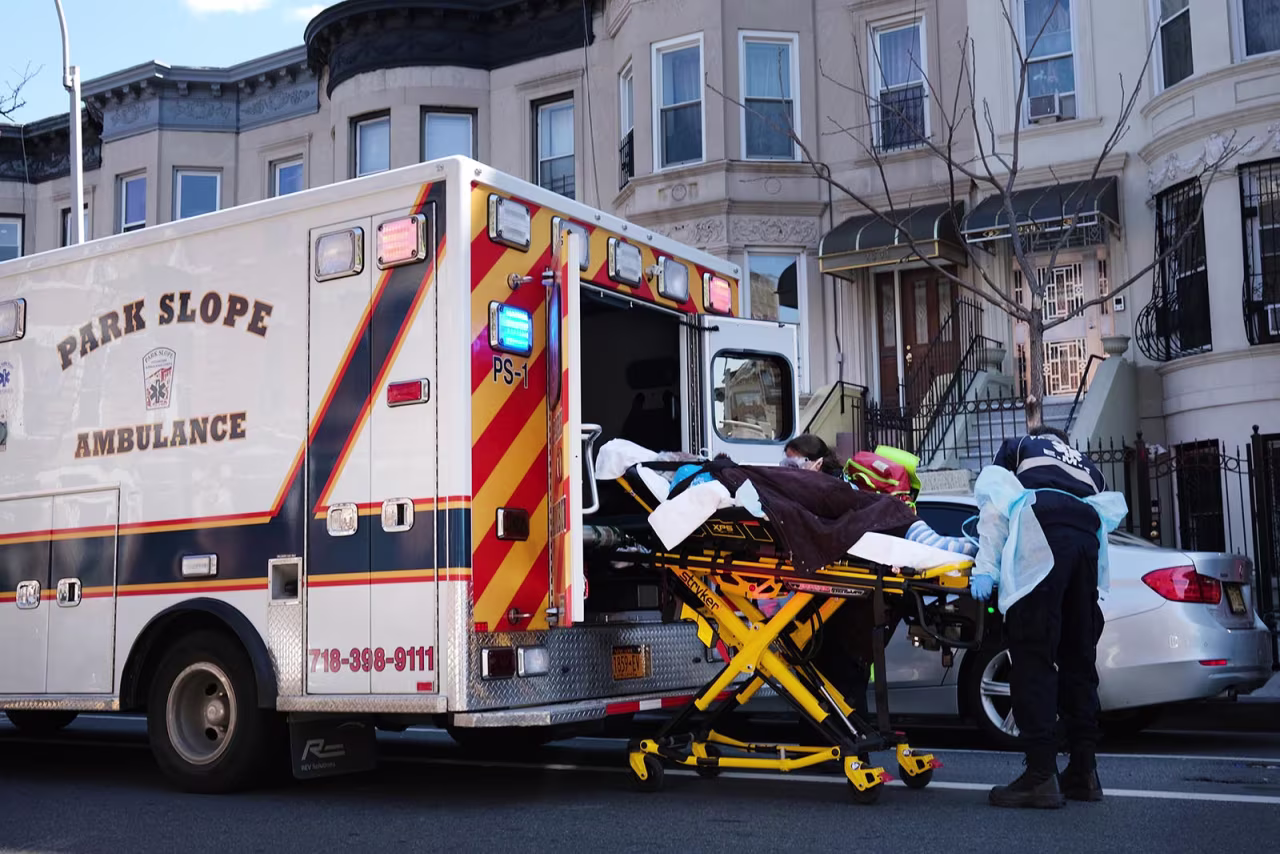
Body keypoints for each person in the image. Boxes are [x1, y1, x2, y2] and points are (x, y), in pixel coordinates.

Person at [969, 424, 1127, 809]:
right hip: (1086, 542)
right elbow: (1100, 523)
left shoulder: (1021, 445)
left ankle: (1041, 775)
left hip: (1042, 534)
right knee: (1078, 659)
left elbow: (997, 505)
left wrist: (985, 567)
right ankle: (1084, 772)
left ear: (1039, 434)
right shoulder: (1087, 467)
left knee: (1033, 655)